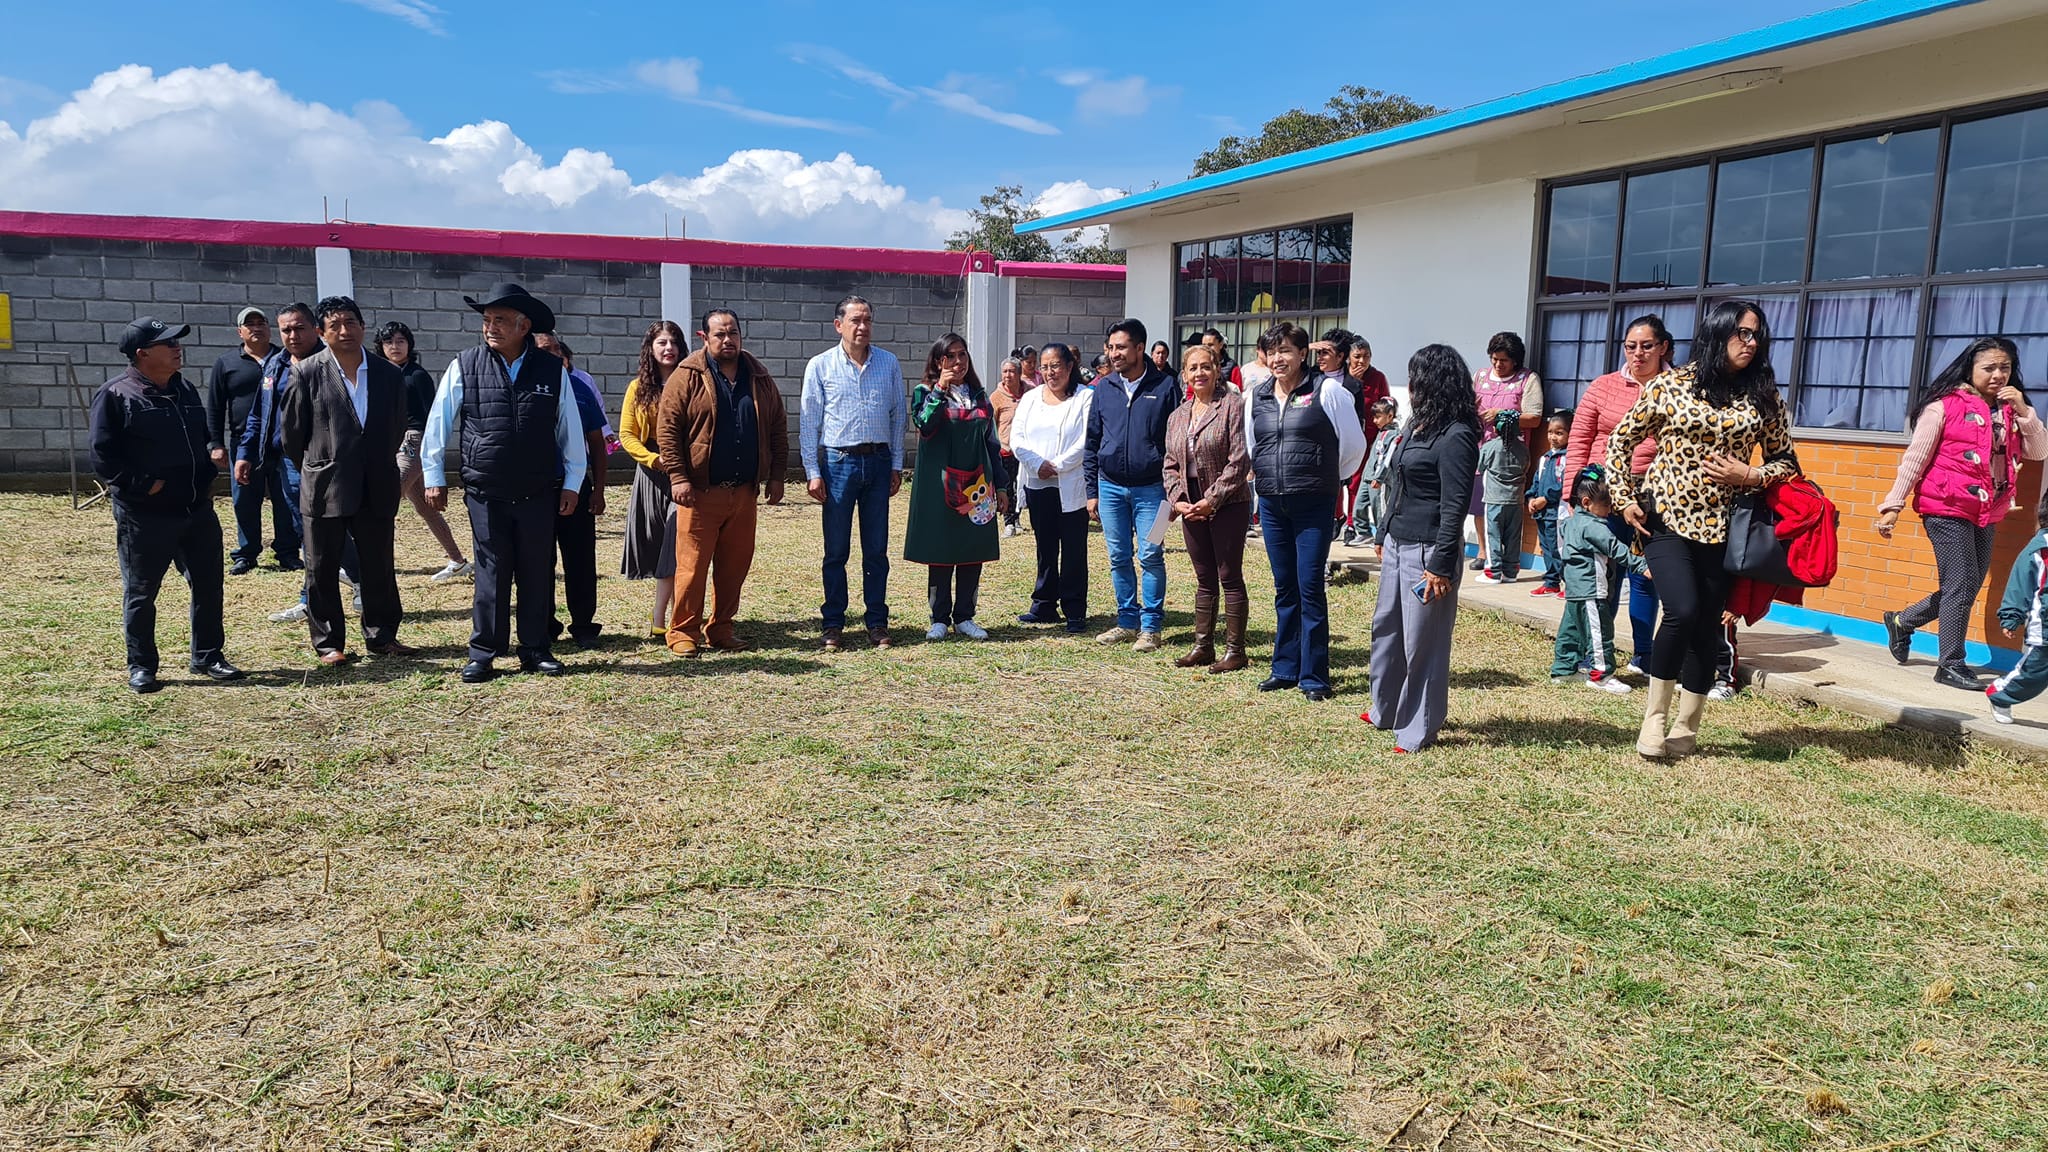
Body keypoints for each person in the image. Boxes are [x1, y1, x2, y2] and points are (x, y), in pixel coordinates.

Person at [1609, 300, 1800, 760]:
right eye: (1741, 333)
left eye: (1756, 335)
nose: (1750, 343)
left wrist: (1751, 476)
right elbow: (1622, 439)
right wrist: (1624, 497)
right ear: (1716, 333)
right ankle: (1653, 720)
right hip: (1667, 519)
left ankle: (1686, 726)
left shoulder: (1763, 394)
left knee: (1706, 626)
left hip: (1726, 529)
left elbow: (1787, 462)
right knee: (1681, 609)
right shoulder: (1670, 385)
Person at [421, 283, 589, 684]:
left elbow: (569, 428)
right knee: (492, 571)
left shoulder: (551, 369)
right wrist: (433, 475)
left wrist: (573, 483)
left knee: (536, 570)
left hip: (538, 489)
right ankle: (484, 652)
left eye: (499, 320)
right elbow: (438, 421)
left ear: (523, 325)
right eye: (486, 320)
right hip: (486, 489)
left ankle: (534, 648)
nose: (490, 328)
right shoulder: (465, 364)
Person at [1878, 336, 2046, 690]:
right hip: (1946, 505)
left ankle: (1903, 621)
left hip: (1988, 508)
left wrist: (2027, 412)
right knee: (1958, 583)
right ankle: (1950, 663)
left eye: (2006, 368)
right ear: (1970, 369)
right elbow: (1915, 459)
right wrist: (1893, 506)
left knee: (1967, 583)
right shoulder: (1943, 406)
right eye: (1989, 368)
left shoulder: (2011, 409)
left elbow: (2038, 452)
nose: (1998, 375)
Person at [89, 315, 244, 693]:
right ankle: (142, 665)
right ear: (142, 354)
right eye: (168, 344)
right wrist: (145, 486)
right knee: (142, 592)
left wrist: (210, 459)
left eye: (177, 342)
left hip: (196, 508)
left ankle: (208, 655)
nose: (177, 348)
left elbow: (205, 434)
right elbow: (102, 455)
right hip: (146, 515)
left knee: (209, 584)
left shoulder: (185, 389)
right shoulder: (116, 395)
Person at [279, 296, 412, 665]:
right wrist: (320, 463)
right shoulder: (306, 372)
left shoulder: (388, 374)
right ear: (321, 332)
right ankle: (328, 643)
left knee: (378, 564)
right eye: (334, 325)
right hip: (325, 484)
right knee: (321, 566)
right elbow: (292, 436)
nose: (344, 330)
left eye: (351, 322)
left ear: (363, 327)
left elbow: (398, 424)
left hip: (376, 482)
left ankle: (382, 634)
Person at [654, 308, 788, 656]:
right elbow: (667, 430)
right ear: (704, 338)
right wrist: (679, 477)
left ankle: (721, 628)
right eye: (719, 334)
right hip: (699, 493)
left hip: (744, 493)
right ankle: (683, 631)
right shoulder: (687, 376)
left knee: (734, 566)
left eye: (733, 333)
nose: (727, 340)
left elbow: (776, 428)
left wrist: (776, 476)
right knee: (692, 567)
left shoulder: (758, 376)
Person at [1366, 345, 1479, 751]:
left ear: (1436, 383)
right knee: (1388, 630)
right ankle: (1386, 708)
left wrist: (1441, 564)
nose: (1410, 386)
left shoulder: (1457, 436)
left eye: (1417, 378)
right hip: (1398, 542)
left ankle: (1418, 726)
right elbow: (1396, 482)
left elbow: (1455, 506)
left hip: (1430, 551)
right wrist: (1382, 533)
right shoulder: (1417, 427)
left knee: (1423, 643)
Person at [1247, 322, 1366, 700]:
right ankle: (1284, 668)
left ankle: (1314, 676)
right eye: (1272, 352)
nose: (1278, 359)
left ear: (1303, 354)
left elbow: (1352, 446)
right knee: (1284, 588)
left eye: (1286, 351)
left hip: (1313, 501)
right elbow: (1255, 446)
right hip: (1272, 502)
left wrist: (1326, 479)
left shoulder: (1328, 390)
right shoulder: (1257, 396)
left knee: (1310, 587)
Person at [239, 303, 358, 625]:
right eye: (286, 330)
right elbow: (258, 415)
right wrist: (245, 452)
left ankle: (356, 580)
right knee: (306, 530)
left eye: (299, 328)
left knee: (328, 528)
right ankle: (313, 599)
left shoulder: (331, 363)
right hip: (286, 463)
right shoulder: (275, 364)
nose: (293, 335)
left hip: (324, 461)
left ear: (315, 329)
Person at [1566, 314, 1670, 673]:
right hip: (1602, 498)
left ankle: (1644, 655)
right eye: (1630, 346)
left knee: (1645, 575)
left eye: (1646, 346)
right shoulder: (1602, 386)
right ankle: (1596, 654)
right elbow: (1579, 440)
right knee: (1602, 576)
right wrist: (1571, 497)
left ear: (1663, 347)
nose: (1637, 353)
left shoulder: (1678, 389)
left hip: (1652, 498)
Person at [801, 295, 906, 652]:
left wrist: (895, 465)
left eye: (867, 320)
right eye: (855, 321)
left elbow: (898, 418)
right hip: (838, 464)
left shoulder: (888, 363)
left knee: (876, 549)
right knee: (836, 550)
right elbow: (809, 421)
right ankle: (833, 622)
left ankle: (876, 621)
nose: (862, 327)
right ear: (839, 325)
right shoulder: (820, 366)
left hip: (877, 463)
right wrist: (813, 471)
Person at [1085, 318, 1182, 652]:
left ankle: (1151, 627)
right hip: (1110, 489)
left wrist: (1175, 492)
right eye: (1111, 347)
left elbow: (1177, 443)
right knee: (1118, 555)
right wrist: (1092, 491)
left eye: (1121, 347)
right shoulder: (1103, 388)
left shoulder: (1166, 388)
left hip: (1155, 491)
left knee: (1152, 553)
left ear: (1140, 348)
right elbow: (1093, 441)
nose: (1114, 354)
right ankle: (1127, 621)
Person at [905, 334, 1008, 640]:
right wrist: (940, 389)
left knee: (971, 548)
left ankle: (965, 616)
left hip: (976, 484)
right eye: (950, 356)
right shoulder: (924, 392)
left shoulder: (979, 396)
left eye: (962, 355)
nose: (959, 362)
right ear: (939, 361)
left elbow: (992, 443)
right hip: (940, 485)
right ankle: (939, 618)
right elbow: (925, 424)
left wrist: (1001, 485)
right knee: (941, 549)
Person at [1162, 344, 1252, 673]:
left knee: (1229, 575)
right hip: (1189, 502)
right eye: (1193, 368)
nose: (1199, 373)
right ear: (1184, 374)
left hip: (1227, 502)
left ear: (1217, 370)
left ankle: (1235, 651)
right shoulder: (1177, 415)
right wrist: (1178, 499)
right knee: (1203, 578)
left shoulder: (1233, 406)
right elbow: (1169, 464)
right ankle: (1203, 647)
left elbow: (1239, 460)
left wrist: (1211, 500)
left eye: (1206, 366)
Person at [375, 320, 471, 583]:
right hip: (389, 441)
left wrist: (431, 455)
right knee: (425, 507)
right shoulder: (379, 374)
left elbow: (434, 415)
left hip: (414, 440)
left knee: (386, 496)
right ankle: (458, 561)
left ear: (410, 345)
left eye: (400, 341)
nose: (394, 347)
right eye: (388, 342)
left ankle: (367, 563)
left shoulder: (416, 375)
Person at [534, 333, 610, 649]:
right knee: (539, 561)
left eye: (555, 350)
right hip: (535, 490)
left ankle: (583, 624)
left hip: (577, 487)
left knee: (580, 559)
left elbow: (597, 441)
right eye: (543, 351)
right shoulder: (524, 388)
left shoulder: (580, 389)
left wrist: (599, 489)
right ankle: (544, 624)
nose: (551, 355)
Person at [1010, 343, 1093, 632]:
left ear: (1070, 367)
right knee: (1045, 547)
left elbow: (1086, 441)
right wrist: (1037, 464)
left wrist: (1055, 465)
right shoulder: (1031, 398)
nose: (1050, 372)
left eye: (1056, 366)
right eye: (1044, 367)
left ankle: (1074, 609)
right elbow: (1017, 438)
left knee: (1073, 549)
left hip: (1070, 484)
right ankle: (1044, 604)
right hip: (1038, 483)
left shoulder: (1085, 398)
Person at [207, 307, 296, 574]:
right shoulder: (227, 363)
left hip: (281, 444)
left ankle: (288, 552)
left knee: (285, 498)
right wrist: (215, 444)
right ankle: (246, 553)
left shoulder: (285, 359)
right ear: (240, 332)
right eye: (250, 324)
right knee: (244, 498)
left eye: (261, 323)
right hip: (243, 444)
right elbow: (214, 406)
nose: (256, 328)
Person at [619, 321, 687, 639]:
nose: (668, 347)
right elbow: (627, 435)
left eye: (673, 341)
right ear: (651, 348)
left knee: (675, 545)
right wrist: (652, 459)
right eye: (661, 342)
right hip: (651, 474)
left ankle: (665, 617)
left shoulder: (691, 383)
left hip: (683, 474)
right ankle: (674, 616)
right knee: (663, 548)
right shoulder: (638, 389)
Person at [1549, 466, 1644, 694]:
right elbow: (1616, 550)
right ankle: (1601, 674)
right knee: (1600, 632)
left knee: (1570, 630)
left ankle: (1564, 670)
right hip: (1592, 589)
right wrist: (1642, 566)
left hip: (1574, 589)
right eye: (1606, 506)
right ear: (1586, 502)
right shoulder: (1594, 527)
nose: (1610, 511)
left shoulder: (1571, 523)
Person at [1470, 332, 1543, 573]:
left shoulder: (1527, 379)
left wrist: (1502, 414)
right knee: (1481, 503)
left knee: (1505, 507)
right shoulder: (1480, 376)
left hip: (1510, 455)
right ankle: (1483, 551)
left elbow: (1534, 417)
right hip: (1482, 450)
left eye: (1504, 360)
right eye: (1494, 359)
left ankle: (1504, 560)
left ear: (1515, 360)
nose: (1498, 365)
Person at [1987, 492, 2048, 724]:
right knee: (2035, 671)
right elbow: (2020, 583)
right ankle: (2001, 695)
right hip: (2044, 626)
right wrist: (2011, 616)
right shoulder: (2039, 549)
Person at [1337, 338, 1391, 544]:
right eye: (1357, 357)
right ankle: (1338, 517)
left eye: (1366, 356)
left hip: (1368, 440)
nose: (1361, 361)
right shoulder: (1341, 377)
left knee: (1357, 483)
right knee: (1338, 481)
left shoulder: (1377, 378)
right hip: (1342, 437)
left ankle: (1353, 523)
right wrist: (1352, 382)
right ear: (1348, 358)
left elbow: (1386, 405)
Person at [1474, 409, 1526, 584]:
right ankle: (1511, 572)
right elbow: (1526, 466)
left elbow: (1480, 467)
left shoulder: (1490, 447)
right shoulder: (1523, 449)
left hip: (1494, 499)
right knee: (1513, 536)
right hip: (1517, 499)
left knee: (1493, 535)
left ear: (1496, 429)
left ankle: (1493, 571)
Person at [1526, 412, 1569, 597]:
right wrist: (1531, 498)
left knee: (1560, 548)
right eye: (1550, 432)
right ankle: (1551, 582)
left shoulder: (1568, 457)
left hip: (1557, 512)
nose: (1553, 437)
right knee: (1547, 548)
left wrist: (1547, 498)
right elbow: (1537, 480)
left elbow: (1564, 483)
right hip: (1542, 513)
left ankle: (1570, 583)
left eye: (1559, 433)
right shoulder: (1545, 458)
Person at [990, 356, 1031, 538]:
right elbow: (991, 424)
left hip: (1026, 449)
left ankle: (1018, 518)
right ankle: (1009, 522)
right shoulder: (996, 397)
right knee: (1007, 486)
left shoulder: (1030, 393)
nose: (1008, 375)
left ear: (1019, 373)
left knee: (1022, 485)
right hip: (1005, 448)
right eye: (1005, 371)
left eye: (1012, 371)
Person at [1355, 396, 1403, 542]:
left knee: (1379, 509)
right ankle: (1364, 532)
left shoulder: (1394, 435)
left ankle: (1382, 537)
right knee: (1359, 505)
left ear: (1390, 416)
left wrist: (1380, 477)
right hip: (1368, 477)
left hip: (1378, 480)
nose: (1375, 421)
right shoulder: (1381, 432)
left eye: (1378, 417)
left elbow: (1387, 459)